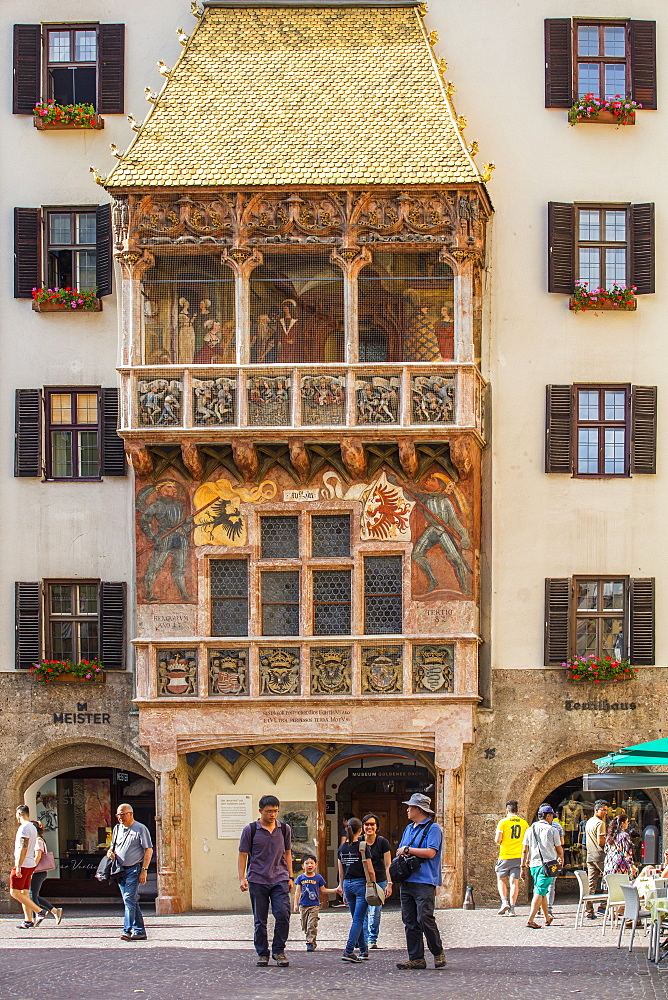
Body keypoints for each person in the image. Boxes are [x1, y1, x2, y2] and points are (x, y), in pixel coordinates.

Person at [238, 795, 293, 967]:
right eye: (269, 811)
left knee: (283, 914)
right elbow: (242, 855)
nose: (273, 815)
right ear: (260, 811)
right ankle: (262, 953)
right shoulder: (250, 830)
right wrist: (242, 878)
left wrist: (290, 876)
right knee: (260, 920)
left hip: (280, 878)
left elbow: (288, 853)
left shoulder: (284, 829)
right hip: (257, 879)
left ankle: (278, 950)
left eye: (275, 811)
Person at [395, 792, 446, 971]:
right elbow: (401, 851)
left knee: (424, 918)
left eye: (410, 807)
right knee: (409, 921)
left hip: (424, 880)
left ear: (419, 809)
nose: (407, 810)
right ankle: (416, 958)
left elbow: (431, 852)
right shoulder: (409, 828)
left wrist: (409, 849)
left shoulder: (433, 829)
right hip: (407, 880)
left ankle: (437, 951)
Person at [106, 803, 153, 941]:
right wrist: (110, 852)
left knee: (128, 899)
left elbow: (148, 850)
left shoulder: (140, 829)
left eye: (123, 814)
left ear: (131, 814)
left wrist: (144, 870)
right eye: (118, 815)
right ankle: (140, 931)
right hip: (119, 870)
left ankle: (127, 931)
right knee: (130, 901)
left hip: (134, 869)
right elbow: (112, 846)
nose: (120, 818)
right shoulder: (117, 828)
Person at [520, 804, 563, 929]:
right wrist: (561, 858)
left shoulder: (530, 829)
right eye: (552, 817)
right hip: (549, 865)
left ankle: (547, 917)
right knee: (539, 891)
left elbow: (524, 850)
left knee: (543, 891)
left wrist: (523, 866)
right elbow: (559, 849)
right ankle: (530, 919)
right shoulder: (552, 830)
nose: (552, 819)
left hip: (534, 865)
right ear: (548, 816)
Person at [337, 817, 369, 963]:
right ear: (360, 830)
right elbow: (370, 868)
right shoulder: (362, 846)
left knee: (357, 918)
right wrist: (372, 884)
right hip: (361, 884)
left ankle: (363, 949)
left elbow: (341, 871)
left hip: (348, 885)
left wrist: (342, 887)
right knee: (358, 919)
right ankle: (349, 950)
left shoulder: (342, 848)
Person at [292, 855, 340, 951]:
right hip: (303, 905)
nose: (309, 865)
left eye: (311, 863)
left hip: (314, 905)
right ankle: (309, 938)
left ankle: (311, 942)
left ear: (315, 865)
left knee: (311, 924)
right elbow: (297, 892)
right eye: (307, 863)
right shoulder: (300, 878)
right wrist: (295, 904)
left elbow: (323, 890)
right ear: (303, 866)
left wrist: (335, 890)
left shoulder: (318, 878)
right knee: (305, 925)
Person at [359, 813, 392, 948]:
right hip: (363, 881)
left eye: (372, 824)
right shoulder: (359, 841)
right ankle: (365, 939)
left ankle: (372, 938)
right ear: (363, 827)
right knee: (363, 911)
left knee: (375, 911)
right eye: (367, 824)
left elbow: (388, 864)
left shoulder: (382, 842)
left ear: (377, 827)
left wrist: (389, 883)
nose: (369, 827)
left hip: (379, 881)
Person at [10, 805, 42, 929]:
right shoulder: (32, 827)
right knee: (24, 892)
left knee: (14, 892)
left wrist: (18, 865)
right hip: (29, 864)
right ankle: (28, 920)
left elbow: (23, 847)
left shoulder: (24, 828)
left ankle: (39, 911)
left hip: (23, 863)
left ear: (19, 814)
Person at [494, 800, 528, 917]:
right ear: (517, 811)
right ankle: (512, 908)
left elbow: (498, 840)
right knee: (514, 882)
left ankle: (504, 902)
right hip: (519, 856)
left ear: (506, 811)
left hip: (505, 855)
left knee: (501, 879)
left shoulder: (503, 822)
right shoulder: (524, 823)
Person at [28, 821, 62, 926]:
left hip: (37, 871)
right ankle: (54, 911)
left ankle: (36, 916)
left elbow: (38, 856)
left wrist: (31, 869)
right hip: (38, 871)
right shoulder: (35, 840)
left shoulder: (38, 841)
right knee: (33, 895)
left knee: (32, 895)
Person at [585, 799, 610, 920]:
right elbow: (601, 841)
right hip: (600, 856)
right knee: (609, 880)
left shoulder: (589, 822)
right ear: (596, 810)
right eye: (603, 810)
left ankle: (588, 910)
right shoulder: (600, 823)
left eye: (607, 810)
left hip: (590, 856)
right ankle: (603, 906)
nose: (606, 812)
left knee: (591, 884)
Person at [604, 813, 636, 877]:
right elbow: (626, 852)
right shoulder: (624, 835)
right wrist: (632, 865)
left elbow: (606, 850)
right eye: (627, 822)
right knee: (621, 885)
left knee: (610, 884)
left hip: (609, 863)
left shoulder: (610, 836)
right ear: (622, 823)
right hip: (620, 865)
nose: (628, 823)